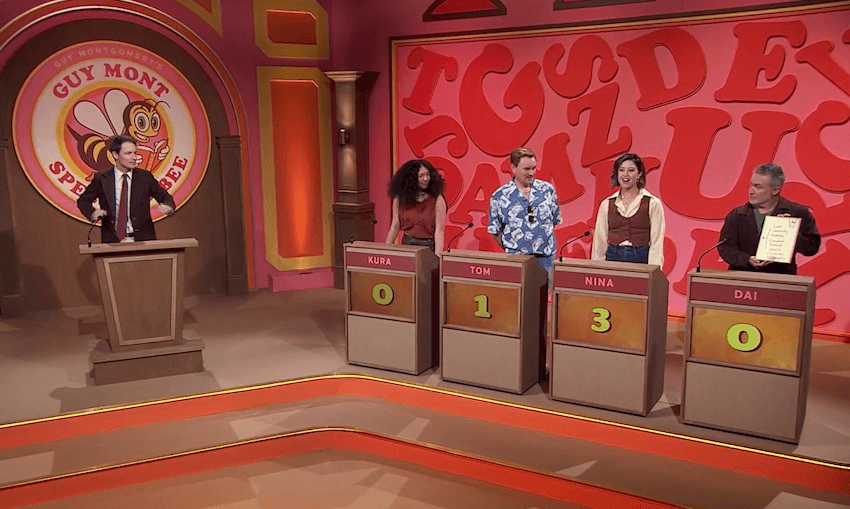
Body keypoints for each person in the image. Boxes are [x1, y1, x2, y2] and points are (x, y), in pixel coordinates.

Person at [718, 162, 820, 275]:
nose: (751, 191)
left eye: (758, 187)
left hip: (780, 279)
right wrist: (747, 259)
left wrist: (791, 233)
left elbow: (812, 248)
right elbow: (725, 247)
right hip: (743, 277)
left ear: (775, 190)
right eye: (751, 185)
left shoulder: (798, 212)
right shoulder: (737, 215)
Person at [77, 135, 175, 243]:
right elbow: (83, 201)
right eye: (128, 153)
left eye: (135, 153)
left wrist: (168, 206)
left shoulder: (145, 177)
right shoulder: (102, 178)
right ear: (115, 154)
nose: (134, 157)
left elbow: (164, 196)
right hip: (112, 242)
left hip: (143, 240)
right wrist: (92, 213)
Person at [488, 147, 562, 281]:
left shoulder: (547, 190)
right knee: (519, 294)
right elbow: (495, 231)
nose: (531, 173)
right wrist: (514, 248)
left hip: (545, 259)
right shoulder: (499, 196)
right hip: (517, 260)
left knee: (544, 294)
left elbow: (554, 220)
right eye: (526, 169)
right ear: (513, 168)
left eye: (533, 168)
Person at [591, 153, 665, 266]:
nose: (625, 174)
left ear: (639, 174)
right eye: (621, 170)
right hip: (613, 257)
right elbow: (599, 240)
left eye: (631, 170)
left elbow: (657, 242)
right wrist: (597, 267)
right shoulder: (607, 204)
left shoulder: (652, 203)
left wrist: (654, 270)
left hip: (641, 257)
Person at [384, 159, 447, 253]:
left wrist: (438, 256)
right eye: (421, 176)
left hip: (428, 247)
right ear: (411, 179)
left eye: (428, 174)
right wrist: (386, 250)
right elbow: (395, 226)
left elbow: (439, 231)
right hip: (407, 245)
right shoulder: (399, 199)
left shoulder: (437, 199)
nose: (426, 179)